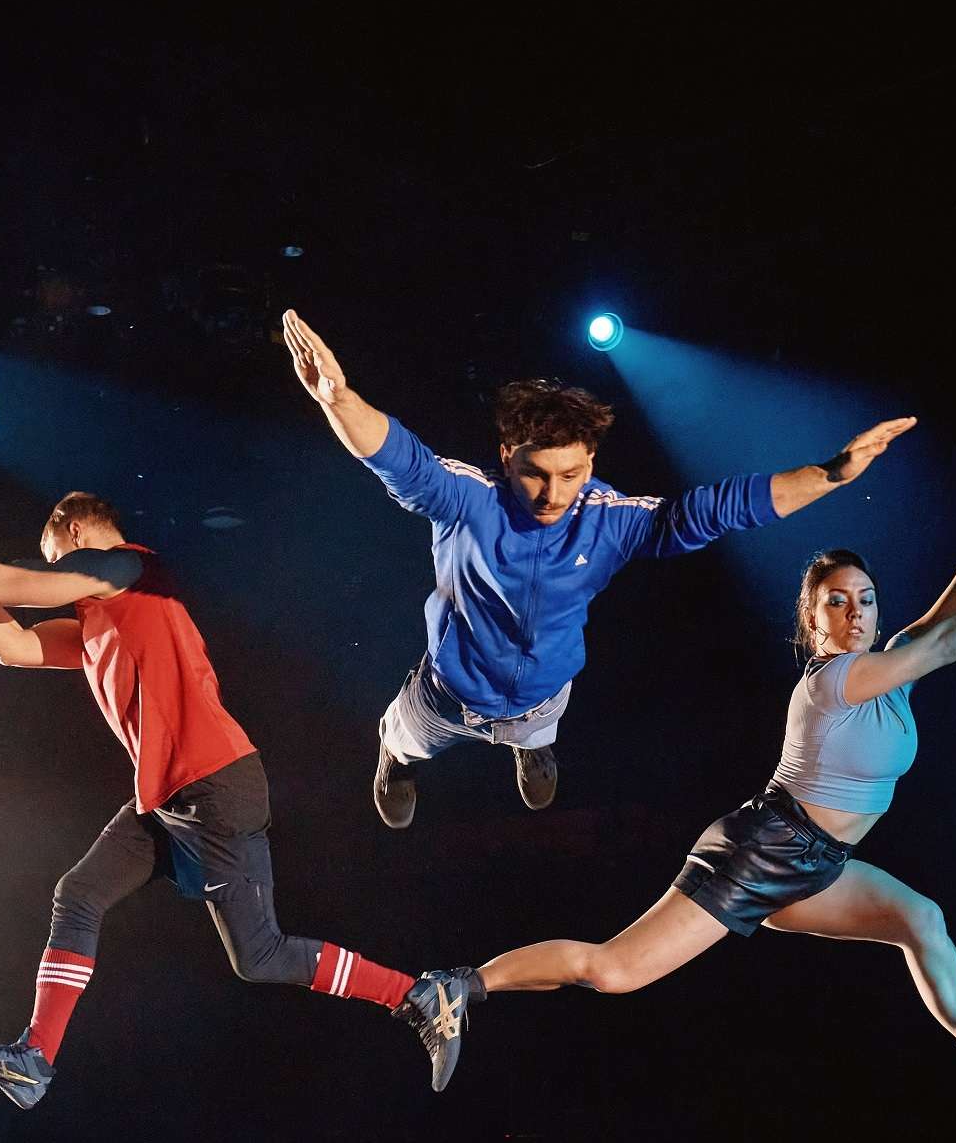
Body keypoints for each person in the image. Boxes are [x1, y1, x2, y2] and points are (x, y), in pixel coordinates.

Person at [461, 442, 956, 1097]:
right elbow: (955, 641)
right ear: (812, 622)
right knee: (615, 971)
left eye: (864, 600)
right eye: (836, 603)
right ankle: (463, 984)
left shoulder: (892, 666)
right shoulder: (835, 680)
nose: (855, 613)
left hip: (817, 864)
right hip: (760, 852)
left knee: (917, 919)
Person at [0, 464, 473, 1098]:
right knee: (80, 894)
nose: (56, 575)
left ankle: (419, 995)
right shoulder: (96, 619)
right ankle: (35, 1059)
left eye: (54, 560)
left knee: (260, 955)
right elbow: (10, 644)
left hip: (215, 786)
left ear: (76, 528)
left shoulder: (126, 568)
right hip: (169, 797)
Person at [281, 308, 915, 831]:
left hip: (543, 692)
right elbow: (398, 456)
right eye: (534, 472)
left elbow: (715, 510)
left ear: (590, 461)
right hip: (451, 688)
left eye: (571, 474)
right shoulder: (466, 499)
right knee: (407, 741)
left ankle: (532, 749)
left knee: (535, 732)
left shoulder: (610, 519)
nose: (553, 494)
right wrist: (338, 398)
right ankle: (397, 758)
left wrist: (831, 473)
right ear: (508, 456)